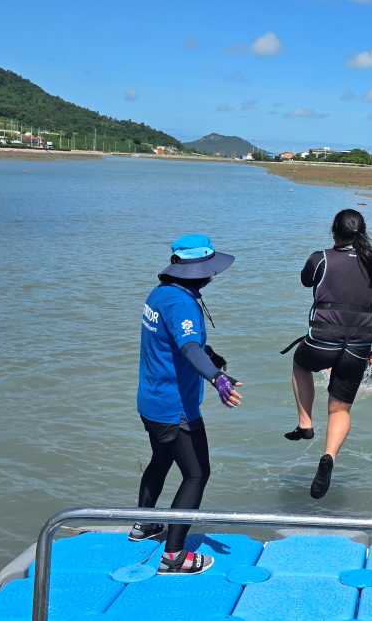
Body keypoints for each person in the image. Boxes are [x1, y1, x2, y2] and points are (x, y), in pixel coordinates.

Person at [133, 234, 243, 575]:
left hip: (150, 402)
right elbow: (188, 348)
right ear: (199, 271)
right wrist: (217, 378)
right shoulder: (183, 304)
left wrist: (211, 357)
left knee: (161, 458)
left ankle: (144, 524)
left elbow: (175, 343)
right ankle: (175, 556)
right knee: (197, 474)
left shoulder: (161, 294)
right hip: (175, 408)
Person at [280, 209, 372, 498]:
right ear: (363, 232)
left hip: (322, 340)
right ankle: (329, 456)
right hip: (358, 345)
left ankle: (305, 423)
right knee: (340, 409)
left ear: (334, 231)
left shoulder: (320, 258)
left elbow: (307, 281)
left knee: (300, 363)